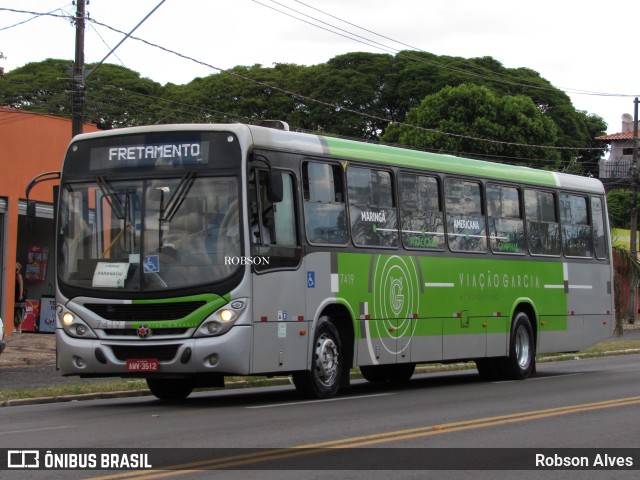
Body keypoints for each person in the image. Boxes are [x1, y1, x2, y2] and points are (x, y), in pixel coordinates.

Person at [14, 262, 25, 333]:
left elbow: (21, 286)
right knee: (16, 311)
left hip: (19, 296)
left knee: (19, 311)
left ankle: (19, 328)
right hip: (16, 296)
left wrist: (20, 295)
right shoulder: (15, 276)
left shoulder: (18, 276)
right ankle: (16, 327)